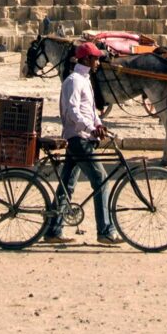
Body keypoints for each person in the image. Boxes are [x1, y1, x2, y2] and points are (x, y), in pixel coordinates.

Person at [46, 42, 120, 245]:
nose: (98, 62)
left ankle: (53, 230)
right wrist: (90, 128)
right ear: (86, 59)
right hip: (79, 139)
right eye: (95, 58)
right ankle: (105, 230)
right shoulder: (73, 81)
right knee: (101, 180)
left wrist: (98, 124)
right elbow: (72, 112)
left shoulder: (85, 79)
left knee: (67, 186)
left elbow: (90, 111)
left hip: (83, 137)